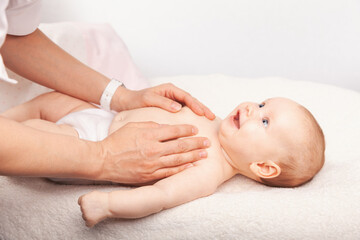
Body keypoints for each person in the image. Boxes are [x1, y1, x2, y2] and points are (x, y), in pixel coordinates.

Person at [1, 91, 325, 227]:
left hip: (84, 144)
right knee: (51, 100)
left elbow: (160, 197)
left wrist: (109, 205)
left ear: (264, 168)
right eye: (263, 103)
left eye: (265, 122)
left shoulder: (208, 168)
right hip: (102, 116)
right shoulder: (214, 119)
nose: (255, 110)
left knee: (34, 132)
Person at [0, 0, 215, 183]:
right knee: (34, 130)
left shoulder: (213, 169)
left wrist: (121, 96)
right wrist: (103, 158)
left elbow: (12, 36)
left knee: (51, 103)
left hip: (102, 119)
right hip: (91, 138)